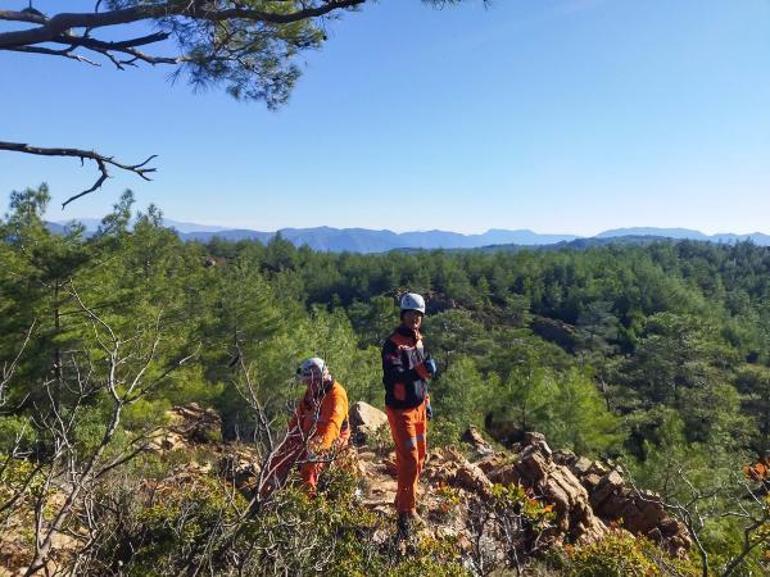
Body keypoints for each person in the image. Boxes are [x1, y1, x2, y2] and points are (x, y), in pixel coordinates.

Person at [382, 292, 437, 536]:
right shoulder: (393, 344)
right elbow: (394, 376)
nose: (415, 318)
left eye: (419, 315)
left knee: (420, 457)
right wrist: (421, 370)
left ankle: (405, 502)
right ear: (403, 315)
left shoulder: (419, 341)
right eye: (411, 314)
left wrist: (427, 400)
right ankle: (406, 513)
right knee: (410, 461)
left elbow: (421, 377)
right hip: (401, 410)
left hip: (418, 408)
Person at [263, 357, 350, 495]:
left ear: (322, 377)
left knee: (309, 467)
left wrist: (316, 449)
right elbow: (297, 421)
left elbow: (332, 428)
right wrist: (287, 443)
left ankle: (307, 504)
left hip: (332, 440)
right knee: (277, 461)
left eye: (313, 382)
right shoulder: (311, 393)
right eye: (308, 382)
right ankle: (265, 497)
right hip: (308, 437)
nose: (310, 385)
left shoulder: (336, 395)